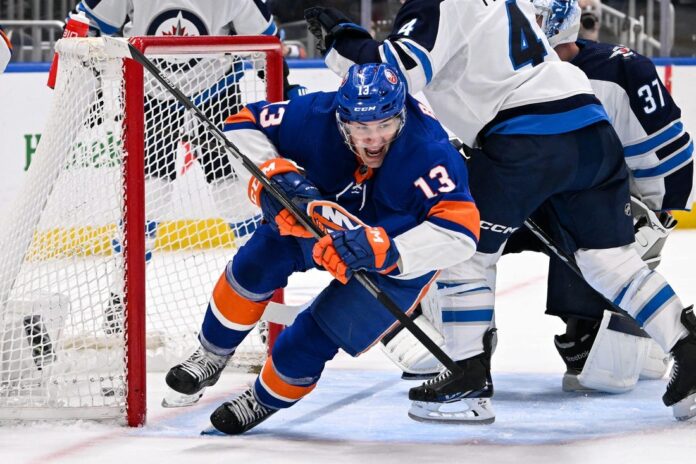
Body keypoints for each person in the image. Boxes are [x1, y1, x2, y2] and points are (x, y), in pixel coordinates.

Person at [305, 0, 696, 424]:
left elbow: (396, 73)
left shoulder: (434, 3)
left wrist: (343, 41)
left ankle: (467, 380)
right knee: (609, 262)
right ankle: (688, 348)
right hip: (589, 129)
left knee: (460, 248)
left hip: (522, 138)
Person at [164, 62, 481, 435]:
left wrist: (389, 249)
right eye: (361, 127)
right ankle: (211, 354)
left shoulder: (430, 151)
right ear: (342, 119)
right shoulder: (316, 115)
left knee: (312, 340)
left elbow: (461, 232)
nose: (374, 140)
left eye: (385, 125)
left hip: (393, 258)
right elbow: (241, 124)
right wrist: (273, 179)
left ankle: (261, 400)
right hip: (319, 223)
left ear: (401, 116)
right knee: (258, 261)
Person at [62, 1, 306, 334]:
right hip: (149, 90)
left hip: (216, 90)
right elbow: (88, 23)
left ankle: (259, 298)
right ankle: (122, 298)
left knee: (234, 195)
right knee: (149, 196)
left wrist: (284, 91)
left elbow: (268, 45)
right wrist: (87, 81)